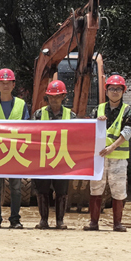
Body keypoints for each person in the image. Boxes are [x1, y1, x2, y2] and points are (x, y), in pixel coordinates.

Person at [0, 68, 30, 229]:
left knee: (16, 188)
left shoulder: (21, 105)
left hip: (15, 153)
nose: (6, 85)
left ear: (14, 85)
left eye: (9, 83)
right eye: (2, 83)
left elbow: (27, 129)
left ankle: (15, 219)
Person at [85, 74, 131, 232]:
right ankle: (93, 223)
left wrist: (112, 147)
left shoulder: (127, 110)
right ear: (106, 91)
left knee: (118, 191)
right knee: (95, 189)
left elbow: (128, 131)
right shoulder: (98, 109)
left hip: (118, 158)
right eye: (112, 89)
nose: (115, 92)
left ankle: (117, 224)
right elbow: (88, 129)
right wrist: (96, 122)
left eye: (118, 89)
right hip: (99, 158)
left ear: (123, 91)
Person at [32, 80, 76, 230]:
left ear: (63, 96)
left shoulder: (71, 115)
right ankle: (43, 220)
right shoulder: (39, 114)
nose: (54, 99)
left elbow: (77, 137)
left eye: (57, 96)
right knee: (42, 190)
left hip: (62, 159)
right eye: (51, 96)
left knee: (61, 191)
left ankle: (60, 221)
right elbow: (31, 135)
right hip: (43, 158)